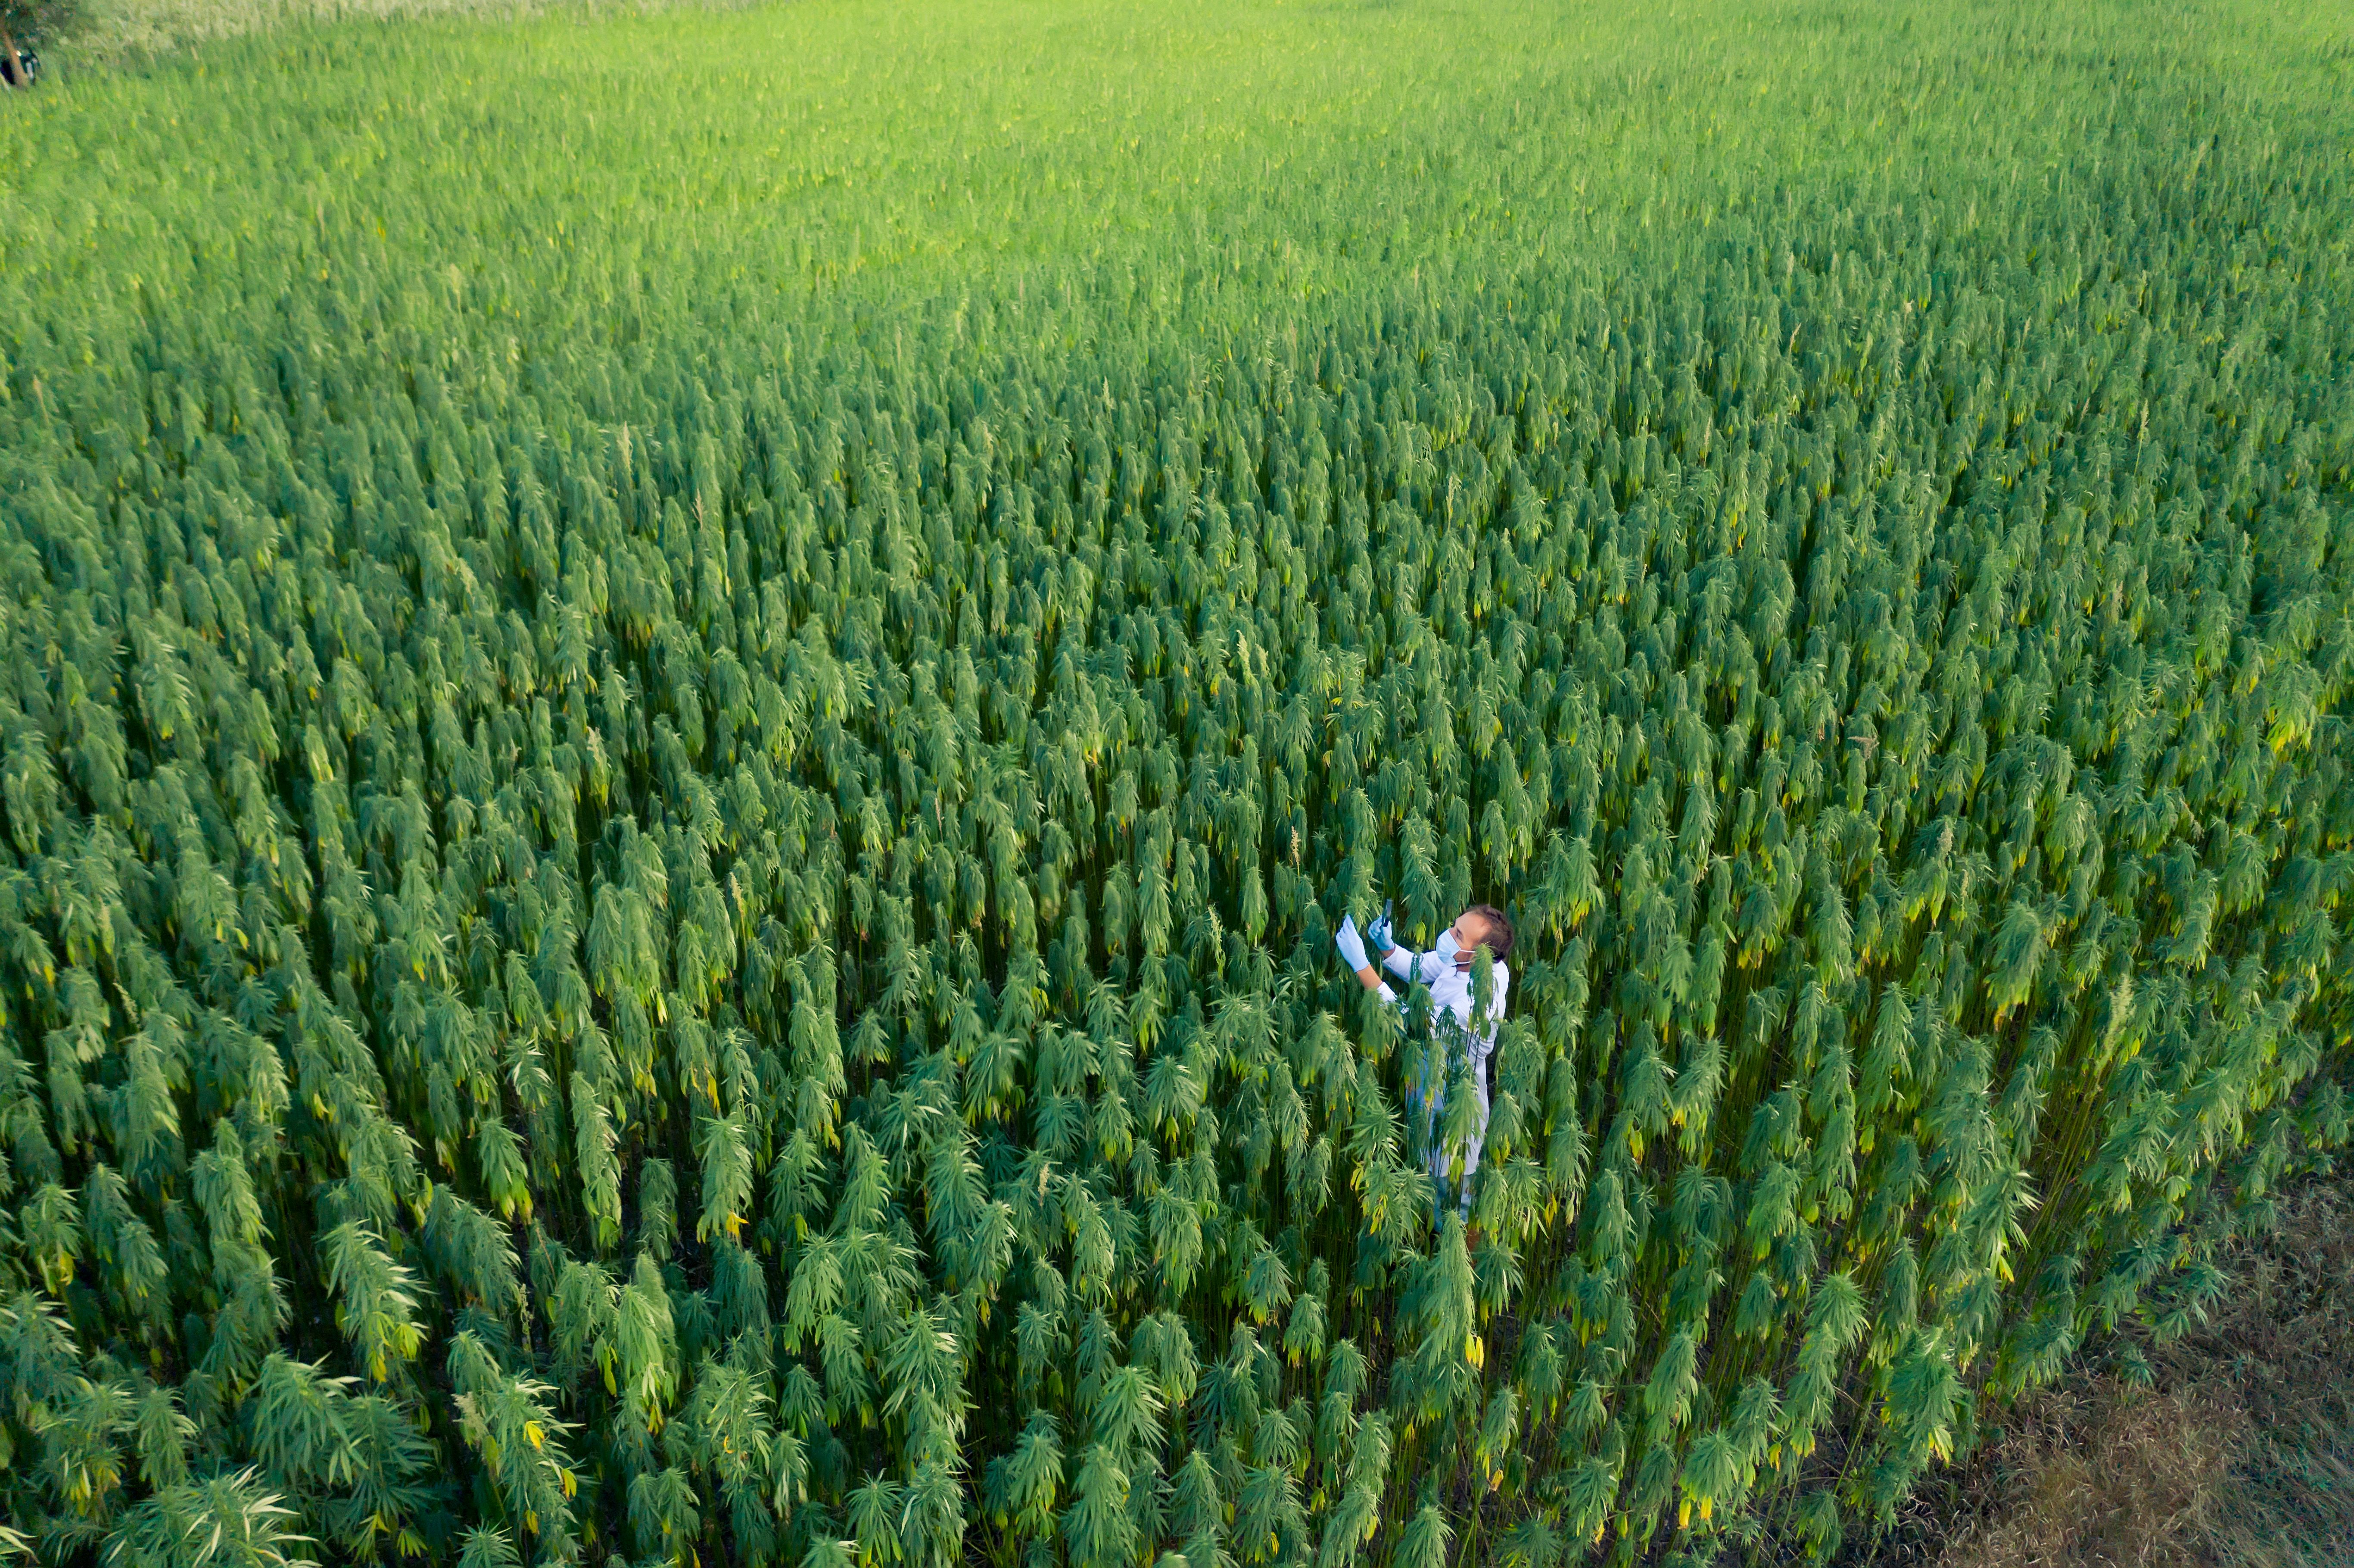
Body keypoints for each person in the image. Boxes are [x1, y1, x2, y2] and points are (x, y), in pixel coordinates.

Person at [1334, 903, 1513, 1226]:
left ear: (1482, 957)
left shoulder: (1481, 1001)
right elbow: (1420, 967)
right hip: (1429, 1082)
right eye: (1454, 925)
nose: (1448, 936)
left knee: (1451, 1194)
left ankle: (1455, 1258)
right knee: (1424, 1169)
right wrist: (1387, 948)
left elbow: (1414, 1019)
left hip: (1457, 1106)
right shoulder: (1459, 959)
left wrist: (1363, 967)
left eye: (1458, 935)